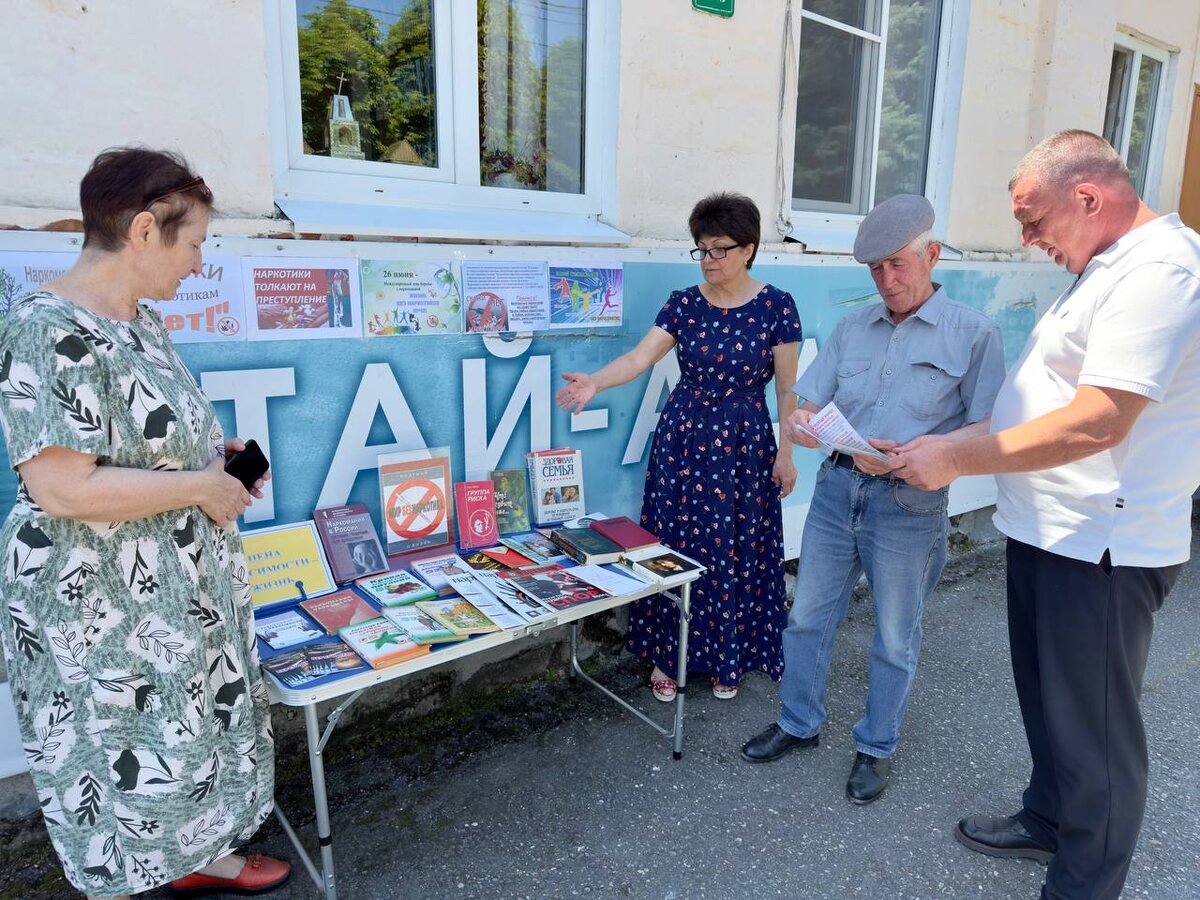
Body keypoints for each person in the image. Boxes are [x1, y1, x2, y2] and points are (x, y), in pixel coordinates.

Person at [890, 130, 1200, 899]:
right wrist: (958, 439)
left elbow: (1098, 421)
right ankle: (1049, 819)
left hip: (1101, 546)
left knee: (1095, 735)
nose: (1028, 240)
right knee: (1051, 707)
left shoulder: (1160, 271)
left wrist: (958, 462)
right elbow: (1052, 397)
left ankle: (1083, 884)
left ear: (1088, 197)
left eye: (1034, 221)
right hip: (1049, 532)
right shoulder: (1108, 264)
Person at [0, 148, 290, 899]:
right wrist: (198, 485)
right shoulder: (45, 328)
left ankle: (197, 858)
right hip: (98, 596)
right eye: (193, 243)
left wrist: (214, 461)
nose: (198, 263)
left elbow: (140, 443)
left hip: (170, 584)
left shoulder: (141, 322)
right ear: (142, 231)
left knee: (189, 732)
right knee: (128, 749)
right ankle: (140, 878)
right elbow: (61, 488)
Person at [740, 194, 1006, 804]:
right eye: (875, 269)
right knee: (807, 617)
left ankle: (877, 746)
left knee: (894, 636)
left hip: (909, 505)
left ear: (932, 255)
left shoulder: (975, 333)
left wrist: (929, 450)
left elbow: (989, 426)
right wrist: (801, 425)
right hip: (838, 490)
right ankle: (798, 723)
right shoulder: (853, 327)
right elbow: (805, 405)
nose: (886, 280)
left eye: (897, 265)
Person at [557, 192, 800, 701]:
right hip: (684, 441)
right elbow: (639, 358)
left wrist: (786, 453)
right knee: (677, 545)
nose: (709, 259)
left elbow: (786, 390)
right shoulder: (684, 303)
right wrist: (596, 382)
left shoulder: (777, 306)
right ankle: (669, 655)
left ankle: (728, 656)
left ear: (749, 249)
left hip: (744, 443)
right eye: (702, 249)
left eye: (720, 249)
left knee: (737, 546)